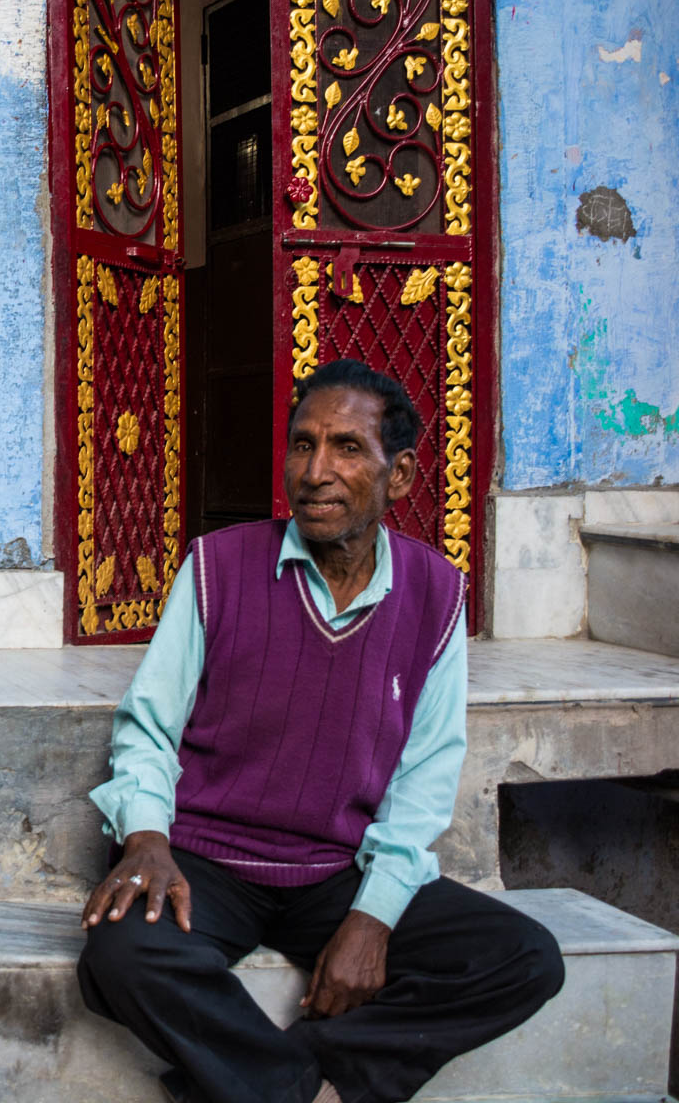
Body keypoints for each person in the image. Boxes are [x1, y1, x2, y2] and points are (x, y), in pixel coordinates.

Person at [77, 359, 564, 1103]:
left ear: (398, 475)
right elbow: (149, 725)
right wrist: (146, 837)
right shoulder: (219, 566)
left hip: (338, 871)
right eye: (303, 446)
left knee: (523, 957)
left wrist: (373, 916)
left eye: (345, 449)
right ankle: (302, 1090)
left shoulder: (436, 595)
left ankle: (283, 1076)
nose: (315, 471)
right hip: (206, 859)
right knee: (120, 957)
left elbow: (427, 773)